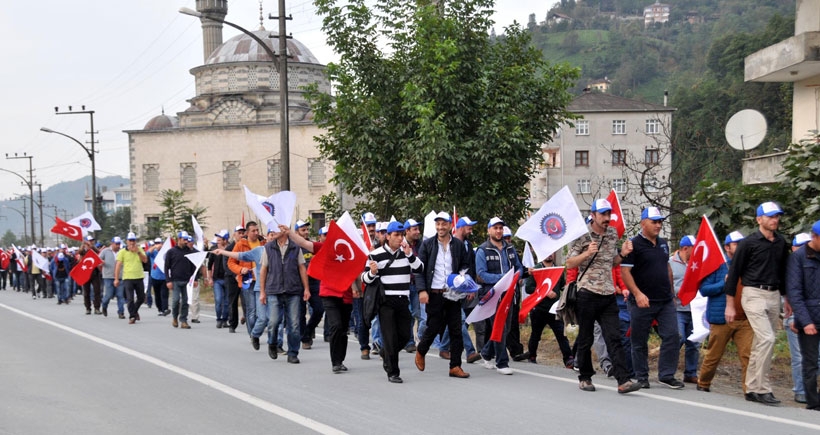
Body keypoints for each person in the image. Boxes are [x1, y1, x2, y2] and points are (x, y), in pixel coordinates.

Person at [568, 199, 641, 394]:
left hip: (608, 292)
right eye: (603, 214)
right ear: (593, 215)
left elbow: (613, 262)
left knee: (614, 337)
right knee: (586, 337)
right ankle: (585, 377)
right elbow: (569, 263)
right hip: (587, 293)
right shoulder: (581, 235)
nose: (607, 218)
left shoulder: (612, 233)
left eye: (609, 214)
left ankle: (623, 380)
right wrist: (585, 254)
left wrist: (623, 254)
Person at [725, 201, 790, 406]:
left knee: (760, 343)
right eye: (770, 216)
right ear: (759, 219)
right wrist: (730, 304)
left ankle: (752, 387)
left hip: (774, 294)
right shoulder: (748, 243)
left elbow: (783, 273)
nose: (775, 220)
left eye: (777, 216)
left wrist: (786, 299)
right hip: (752, 293)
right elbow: (734, 273)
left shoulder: (781, 242)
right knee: (768, 338)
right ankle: (763, 388)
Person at [621, 206, 683, 389]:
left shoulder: (663, 243)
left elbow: (667, 268)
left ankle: (666, 374)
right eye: (654, 222)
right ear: (643, 223)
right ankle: (641, 376)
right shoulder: (634, 244)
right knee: (639, 340)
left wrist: (671, 293)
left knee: (673, 335)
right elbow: (625, 272)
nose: (658, 225)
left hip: (665, 300)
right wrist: (637, 294)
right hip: (642, 301)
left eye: (660, 222)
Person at [361, 221, 423, 383]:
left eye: (401, 235)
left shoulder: (407, 252)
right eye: (396, 235)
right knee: (389, 336)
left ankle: (386, 353)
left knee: (404, 335)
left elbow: (420, 269)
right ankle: (393, 372)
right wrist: (373, 272)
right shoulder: (376, 254)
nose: (399, 238)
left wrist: (410, 255)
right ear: (388, 236)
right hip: (385, 301)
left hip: (403, 300)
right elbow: (365, 278)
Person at [414, 211, 471, 378]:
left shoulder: (458, 245)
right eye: (438, 224)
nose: (440, 227)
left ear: (450, 225)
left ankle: (455, 366)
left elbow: (466, 266)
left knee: (456, 330)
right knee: (433, 327)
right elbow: (419, 271)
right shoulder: (428, 245)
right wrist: (422, 290)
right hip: (435, 294)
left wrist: (464, 282)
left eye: (443, 224)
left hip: (453, 294)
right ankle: (421, 350)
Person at [697, 231, 753, 393]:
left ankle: (748, 389)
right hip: (721, 318)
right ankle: (704, 382)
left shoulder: (749, 266)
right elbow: (705, 289)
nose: (741, 247)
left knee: (748, 355)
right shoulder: (717, 265)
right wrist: (724, 283)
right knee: (714, 354)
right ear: (727, 247)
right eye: (737, 244)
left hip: (744, 317)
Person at [476, 217, 523, 376]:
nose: (498, 231)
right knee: (500, 327)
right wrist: (503, 279)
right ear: (489, 230)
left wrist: (516, 276)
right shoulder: (483, 250)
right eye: (495, 228)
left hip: (509, 294)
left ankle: (487, 352)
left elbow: (518, 267)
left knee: (506, 328)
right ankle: (501, 362)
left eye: (500, 228)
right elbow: (481, 275)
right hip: (492, 295)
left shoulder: (510, 249)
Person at [257, 225, 311, 364]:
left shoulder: (295, 247)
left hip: (293, 290)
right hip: (274, 290)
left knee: (294, 324)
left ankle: (293, 352)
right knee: (273, 321)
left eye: (276, 230)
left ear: (283, 231)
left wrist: (306, 288)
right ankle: (273, 343)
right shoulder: (268, 248)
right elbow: (263, 270)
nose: (272, 232)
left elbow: (301, 268)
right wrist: (262, 292)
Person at [786, 220, 820, 410]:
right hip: (808, 318)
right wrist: (805, 321)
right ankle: (812, 402)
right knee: (810, 362)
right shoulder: (798, 257)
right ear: (814, 237)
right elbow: (794, 291)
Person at [523, 254, 573, 368]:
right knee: (536, 334)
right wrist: (545, 292)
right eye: (547, 253)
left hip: (554, 309)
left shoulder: (558, 270)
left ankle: (569, 359)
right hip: (539, 308)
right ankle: (532, 356)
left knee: (561, 334)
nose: (549, 255)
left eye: (551, 253)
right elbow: (528, 288)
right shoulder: (536, 269)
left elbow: (562, 286)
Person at [670, 235, 700, 384]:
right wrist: (680, 290)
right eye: (694, 248)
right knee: (678, 338)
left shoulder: (698, 264)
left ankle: (691, 372)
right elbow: (667, 282)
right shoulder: (670, 262)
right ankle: (669, 370)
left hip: (694, 309)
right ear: (685, 248)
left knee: (694, 342)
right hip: (678, 309)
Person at [228, 222, 264, 335]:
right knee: (251, 310)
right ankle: (252, 334)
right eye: (253, 231)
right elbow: (231, 262)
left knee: (261, 310)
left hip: (261, 280)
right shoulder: (240, 245)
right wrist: (240, 270)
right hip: (247, 280)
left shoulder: (263, 243)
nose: (256, 233)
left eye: (257, 230)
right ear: (247, 233)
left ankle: (256, 332)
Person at [294, 220, 324, 350]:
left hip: (314, 281)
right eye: (303, 230)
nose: (306, 232)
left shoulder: (312, 245)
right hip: (298, 283)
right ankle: (304, 338)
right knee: (300, 313)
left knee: (319, 309)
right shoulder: (293, 247)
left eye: (307, 230)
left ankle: (308, 330)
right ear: (296, 232)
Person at [164, 231, 198, 329]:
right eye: (184, 239)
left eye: (187, 239)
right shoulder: (171, 252)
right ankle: (175, 317)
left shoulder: (190, 251)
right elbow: (166, 267)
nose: (186, 241)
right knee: (176, 300)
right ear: (179, 239)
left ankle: (183, 320)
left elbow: (193, 266)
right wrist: (168, 280)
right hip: (175, 280)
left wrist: (195, 279)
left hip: (187, 281)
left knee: (186, 301)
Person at [115, 232, 148, 324]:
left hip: (139, 276)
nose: (132, 242)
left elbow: (145, 260)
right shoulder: (122, 252)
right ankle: (132, 316)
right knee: (130, 298)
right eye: (130, 240)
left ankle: (134, 310)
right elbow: (118, 265)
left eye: (133, 240)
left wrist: (137, 252)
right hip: (128, 277)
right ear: (127, 241)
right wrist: (116, 278)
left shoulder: (140, 249)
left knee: (141, 297)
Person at [100, 237, 126, 318]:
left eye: (119, 244)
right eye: (116, 244)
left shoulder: (122, 251)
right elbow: (98, 260)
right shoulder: (105, 251)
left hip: (120, 276)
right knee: (108, 294)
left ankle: (121, 312)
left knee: (120, 295)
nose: (118, 245)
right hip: (108, 276)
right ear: (112, 243)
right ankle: (104, 306)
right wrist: (101, 262)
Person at [209, 230, 230, 328]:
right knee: (218, 300)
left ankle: (225, 320)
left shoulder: (230, 250)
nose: (217, 240)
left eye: (220, 239)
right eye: (217, 238)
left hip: (227, 279)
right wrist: (209, 278)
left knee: (226, 302)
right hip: (217, 279)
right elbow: (209, 265)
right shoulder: (214, 250)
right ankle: (218, 319)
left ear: (225, 240)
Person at [79, 236, 103, 314]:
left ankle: (97, 308)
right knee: (86, 292)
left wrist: (92, 247)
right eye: (89, 240)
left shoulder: (94, 249)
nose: (91, 242)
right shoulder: (83, 250)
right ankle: (88, 308)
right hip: (85, 272)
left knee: (97, 291)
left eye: (92, 240)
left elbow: (99, 252)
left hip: (95, 272)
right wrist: (84, 245)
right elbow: (80, 252)